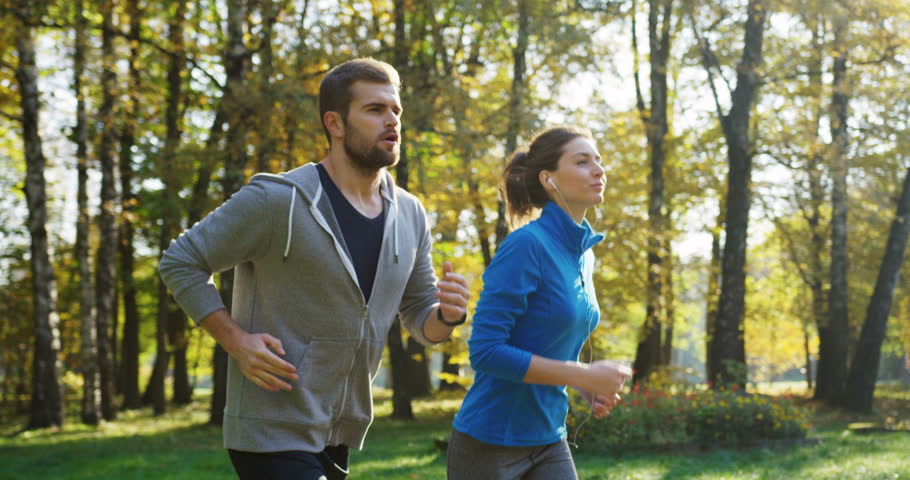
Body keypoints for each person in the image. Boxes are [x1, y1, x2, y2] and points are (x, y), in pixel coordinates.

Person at [159, 58, 471, 480]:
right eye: (375, 109)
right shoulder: (277, 200)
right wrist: (236, 341)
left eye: (396, 110)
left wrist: (447, 315)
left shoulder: (410, 214)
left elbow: (420, 318)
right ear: (335, 123)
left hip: (340, 431)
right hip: (269, 428)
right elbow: (181, 260)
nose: (392, 121)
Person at [446, 126, 631, 480]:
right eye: (582, 161)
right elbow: (485, 352)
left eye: (598, 161)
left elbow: (549, 342)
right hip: (489, 442)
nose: (599, 170)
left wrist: (584, 385)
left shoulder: (583, 255)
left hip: (548, 437)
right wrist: (584, 374)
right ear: (549, 179)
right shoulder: (526, 245)